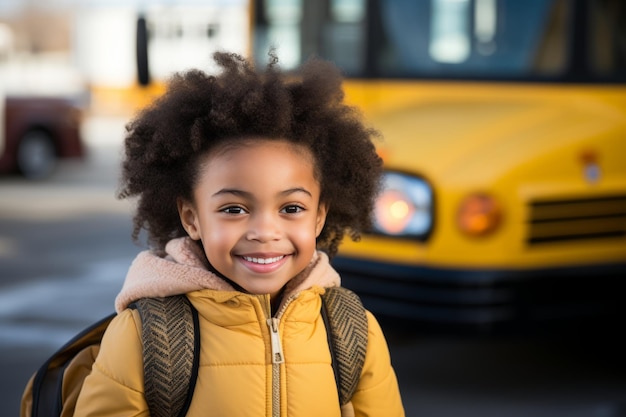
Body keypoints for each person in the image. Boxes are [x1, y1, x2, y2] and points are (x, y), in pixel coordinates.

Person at [74, 51, 404, 417]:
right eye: (234, 209)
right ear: (191, 217)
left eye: (291, 209)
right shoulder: (144, 336)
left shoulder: (353, 332)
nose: (265, 231)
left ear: (319, 216)